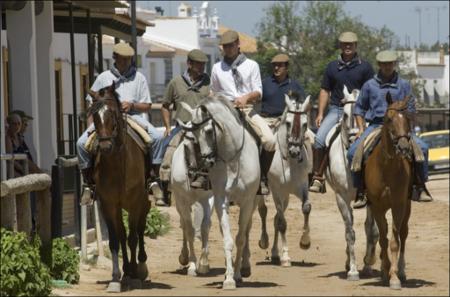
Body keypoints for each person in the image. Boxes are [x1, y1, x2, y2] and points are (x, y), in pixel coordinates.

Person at [347, 50, 432, 208]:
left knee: (424, 149)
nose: (387, 67)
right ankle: (360, 191)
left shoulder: (404, 85)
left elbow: (411, 109)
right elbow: (359, 109)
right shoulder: (369, 85)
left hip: (399, 127)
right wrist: (360, 128)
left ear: (394, 65)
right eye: (384, 64)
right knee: (352, 153)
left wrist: (406, 124)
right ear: (379, 65)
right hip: (375, 125)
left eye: (390, 64)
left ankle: (420, 187)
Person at [76, 42, 164, 189]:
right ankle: (88, 183)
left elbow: (147, 106)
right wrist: (92, 126)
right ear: (114, 57)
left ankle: (154, 178)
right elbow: (92, 105)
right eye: (122, 58)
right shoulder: (103, 77)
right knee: (80, 144)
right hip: (106, 121)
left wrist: (132, 105)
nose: (125, 62)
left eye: (128, 59)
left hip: (132, 117)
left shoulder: (139, 78)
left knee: (157, 137)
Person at [309, 31, 375, 197]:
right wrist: (320, 114)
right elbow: (325, 90)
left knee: (373, 140)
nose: (348, 47)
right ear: (340, 46)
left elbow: (371, 91)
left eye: (351, 44)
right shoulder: (332, 67)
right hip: (336, 110)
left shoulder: (365, 67)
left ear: (356, 46)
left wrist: (370, 112)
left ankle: (372, 176)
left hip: (360, 111)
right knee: (318, 140)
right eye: (345, 44)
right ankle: (318, 176)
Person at [210, 30, 274, 193]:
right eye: (225, 46)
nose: (229, 49)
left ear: (238, 44)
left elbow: (258, 92)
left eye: (231, 45)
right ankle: (203, 176)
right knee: (204, 136)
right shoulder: (217, 68)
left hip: (247, 109)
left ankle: (262, 178)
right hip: (224, 110)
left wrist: (246, 97)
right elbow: (213, 92)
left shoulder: (252, 65)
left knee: (269, 140)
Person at [157, 49, 211, 205]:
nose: (201, 67)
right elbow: (165, 106)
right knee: (167, 148)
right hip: (182, 127)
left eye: (203, 65)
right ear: (189, 64)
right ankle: (163, 188)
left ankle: (226, 187)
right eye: (198, 64)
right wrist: (167, 127)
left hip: (203, 127)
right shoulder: (175, 82)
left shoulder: (208, 83)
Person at [259, 53, 306, 193]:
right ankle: (261, 178)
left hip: (289, 122)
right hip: (268, 121)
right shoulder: (265, 83)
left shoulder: (295, 85)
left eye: (280, 65)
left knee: (312, 140)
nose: (276, 68)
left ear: (287, 67)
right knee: (258, 144)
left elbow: (303, 104)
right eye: (274, 65)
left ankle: (312, 176)